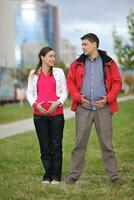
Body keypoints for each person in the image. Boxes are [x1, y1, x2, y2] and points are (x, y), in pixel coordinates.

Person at [66, 33, 122, 185]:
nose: (82, 47)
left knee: (107, 144)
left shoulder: (109, 63)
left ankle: (114, 177)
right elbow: (70, 82)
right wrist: (77, 97)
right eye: (82, 44)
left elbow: (117, 82)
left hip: (103, 108)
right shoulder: (76, 63)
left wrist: (108, 99)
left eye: (85, 44)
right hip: (83, 108)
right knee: (79, 144)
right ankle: (73, 176)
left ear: (94, 44)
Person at [26, 47, 68, 184]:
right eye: (50, 56)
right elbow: (29, 93)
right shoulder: (33, 74)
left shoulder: (59, 72)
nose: (53, 59)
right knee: (44, 146)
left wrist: (57, 103)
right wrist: (35, 105)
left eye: (54, 56)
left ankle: (56, 176)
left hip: (57, 115)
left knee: (56, 146)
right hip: (39, 116)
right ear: (42, 57)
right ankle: (47, 174)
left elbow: (64, 92)